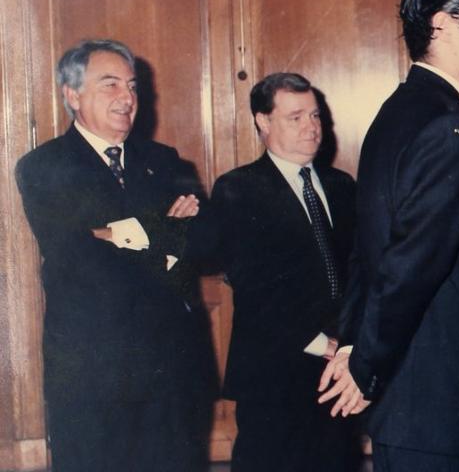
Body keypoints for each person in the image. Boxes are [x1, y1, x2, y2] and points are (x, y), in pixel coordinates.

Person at [318, 0, 459, 471]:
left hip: (419, 401)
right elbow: (410, 266)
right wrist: (364, 364)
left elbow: (373, 249)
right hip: (448, 406)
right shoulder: (448, 127)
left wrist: (356, 345)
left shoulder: (399, 110)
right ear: (444, 25)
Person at [14, 39, 216, 472]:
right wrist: (163, 232)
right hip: (93, 378)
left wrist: (113, 233)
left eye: (132, 86)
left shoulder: (164, 161)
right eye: (110, 85)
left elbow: (210, 242)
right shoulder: (43, 166)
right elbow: (74, 256)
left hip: (169, 374)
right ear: (72, 95)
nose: (127, 98)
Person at [209, 72, 360, 471]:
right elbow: (252, 285)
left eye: (315, 116)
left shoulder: (342, 185)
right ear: (263, 121)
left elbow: (360, 271)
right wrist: (318, 342)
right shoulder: (238, 189)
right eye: (296, 117)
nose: (312, 127)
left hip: (338, 368)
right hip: (274, 371)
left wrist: (346, 343)